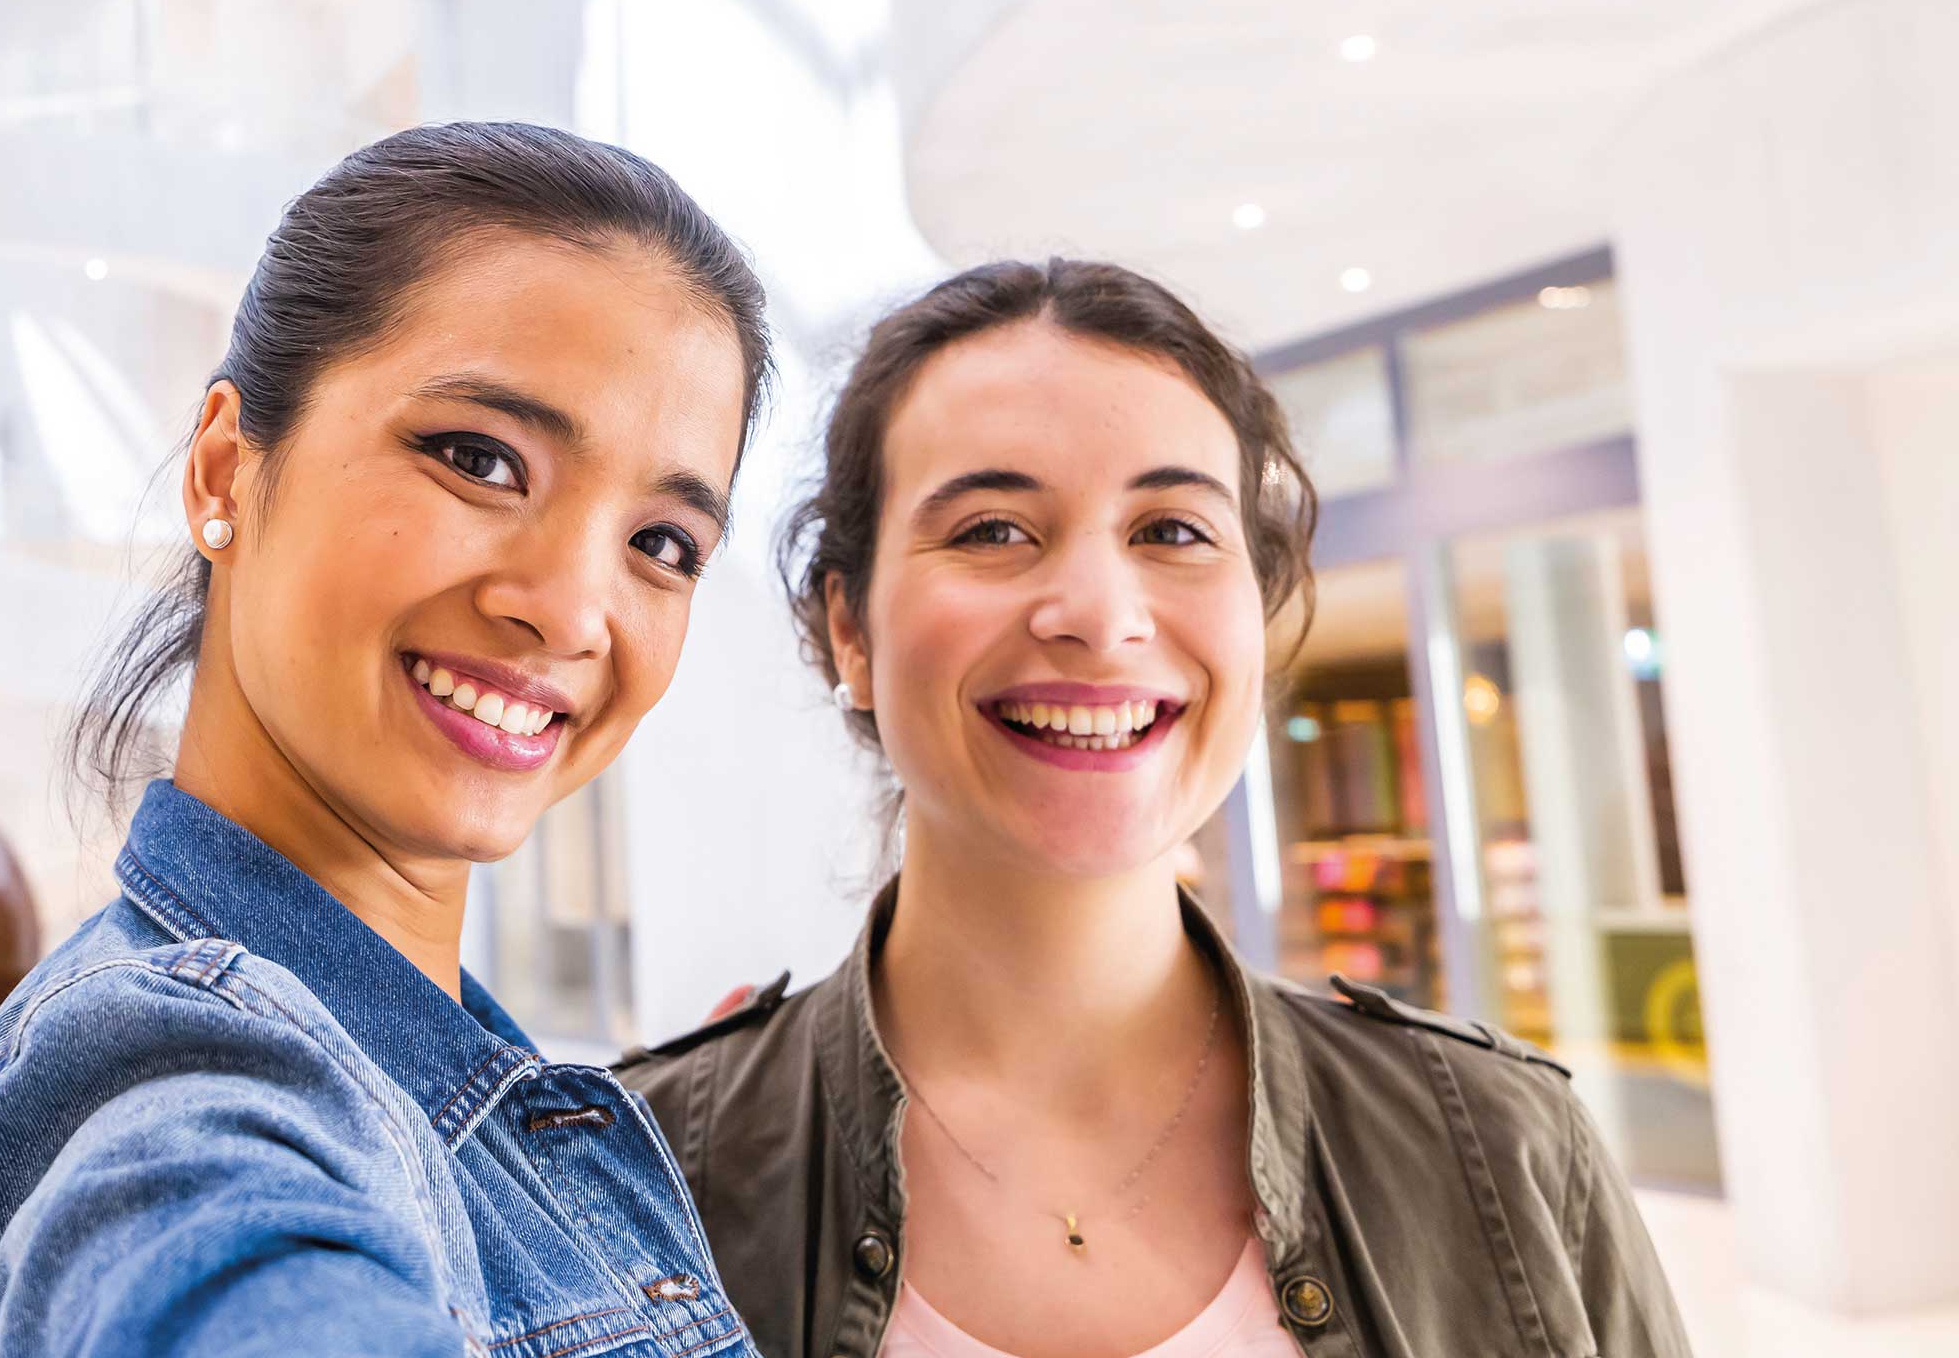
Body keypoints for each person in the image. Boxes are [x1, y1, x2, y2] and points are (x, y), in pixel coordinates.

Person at [618, 259, 1691, 1358]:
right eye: (991, 529)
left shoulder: (1503, 1150)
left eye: (1172, 531)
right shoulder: (637, 1178)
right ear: (847, 626)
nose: (1097, 613)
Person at [0, 123, 776, 1358]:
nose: (573, 611)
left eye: (661, 544)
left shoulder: (477, 1082)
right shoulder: (170, 1078)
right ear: (220, 470)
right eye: (480, 460)